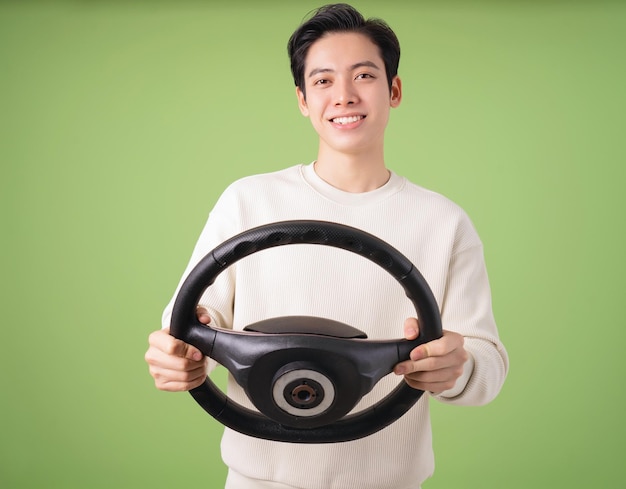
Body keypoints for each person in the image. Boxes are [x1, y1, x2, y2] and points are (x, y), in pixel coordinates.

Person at [145, 3, 508, 488]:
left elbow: (487, 365)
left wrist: (456, 367)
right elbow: (187, 324)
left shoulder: (443, 222)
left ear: (393, 89)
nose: (344, 96)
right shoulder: (247, 200)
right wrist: (178, 355)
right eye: (322, 81)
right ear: (302, 99)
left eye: (363, 75)